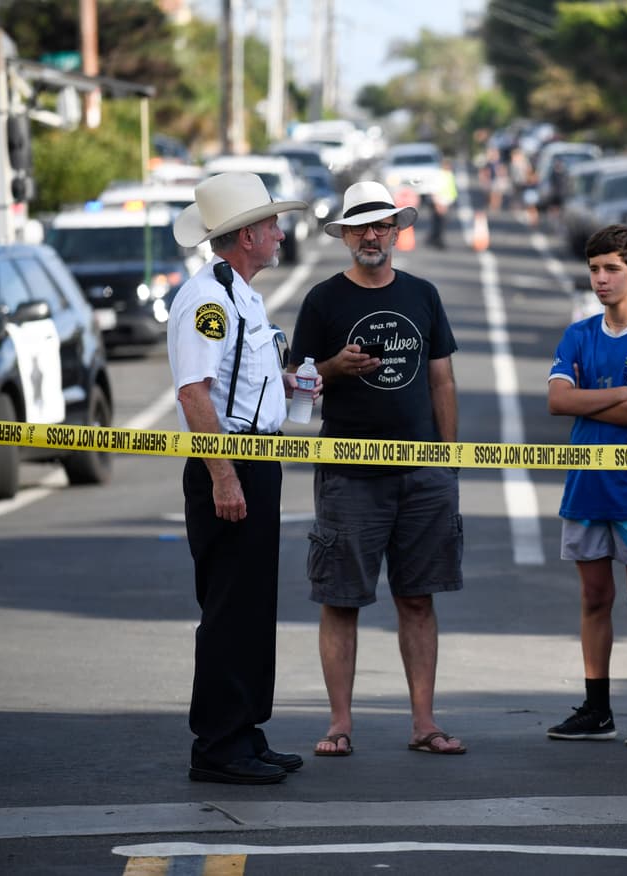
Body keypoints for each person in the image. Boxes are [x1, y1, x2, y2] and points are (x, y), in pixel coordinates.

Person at [290, 181, 466, 757]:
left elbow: (442, 379)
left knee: (418, 598)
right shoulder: (322, 300)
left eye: (382, 224)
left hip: (423, 474)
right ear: (343, 235)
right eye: (361, 225)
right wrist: (332, 368)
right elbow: (297, 393)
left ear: (396, 231)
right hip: (348, 473)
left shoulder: (423, 294)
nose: (372, 234)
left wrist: (449, 461)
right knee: (341, 599)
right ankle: (339, 724)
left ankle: (424, 722)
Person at [167, 171, 315, 784]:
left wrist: (283, 386)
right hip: (228, 464)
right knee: (229, 606)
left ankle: (246, 732)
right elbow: (194, 394)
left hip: (257, 459)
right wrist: (224, 477)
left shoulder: (242, 295)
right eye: (272, 224)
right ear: (246, 234)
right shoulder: (207, 299)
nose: (281, 234)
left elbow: (232, 380)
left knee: (253, 604)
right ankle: (219, 746)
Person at [546, 224, 627, 746]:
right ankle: (597, 707)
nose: (601, 279)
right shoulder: (578, 334)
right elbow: (558, 401)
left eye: (612, 270)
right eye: (595, 270)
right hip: (585, 485)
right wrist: (621, 392)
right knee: (594, 597)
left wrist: (597, 396)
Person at [426, 159, 459, 250]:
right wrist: (438, 205)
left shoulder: (449, 175)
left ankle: (434, 238)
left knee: (442, 223)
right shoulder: (439, 175)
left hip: (445, 203)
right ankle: (437, 241)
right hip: (439, 203)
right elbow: (434, 191)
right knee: (439, 224)